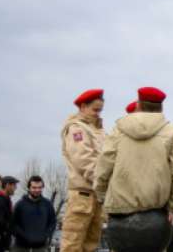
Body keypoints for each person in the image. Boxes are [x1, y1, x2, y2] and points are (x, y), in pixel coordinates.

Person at [94, 87, 173, 234]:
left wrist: (101, 195)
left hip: (120, 213)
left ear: (138, 104)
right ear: (161, 107)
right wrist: (172, 205)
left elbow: (104, 165)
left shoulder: (118, 130)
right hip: (156, 214)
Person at [60, 88, 106, 252]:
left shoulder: (97, 130)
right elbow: (84, 161)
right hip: (82, 195)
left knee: (91, 245)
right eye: (95, 110)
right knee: (72, 245)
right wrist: (104, 181)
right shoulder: (76, 129)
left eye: (100, 110)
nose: (98, 114)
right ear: (83, 106)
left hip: (95, 195)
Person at [12, 175, 57, 252]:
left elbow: (53, 222)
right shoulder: (20, 204)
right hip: (21, 247)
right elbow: (13, 223)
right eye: (34, 187)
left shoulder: (47, 204)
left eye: (39, 187)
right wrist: (22, 236)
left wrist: (45, 235)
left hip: (41, 247)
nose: (37, 190)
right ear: (29, 188)